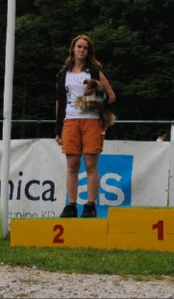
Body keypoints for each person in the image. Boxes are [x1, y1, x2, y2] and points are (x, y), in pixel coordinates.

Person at [55, 34, 116, 218]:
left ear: (89, 51)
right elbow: (60, 102)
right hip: (70, 121)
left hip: (91, 121)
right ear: (73, 49)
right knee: (72, 166)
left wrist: (93, 101)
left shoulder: (93, 72)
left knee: (90, 165)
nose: (82, 50)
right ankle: (71, 205)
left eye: (85, 48)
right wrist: (58, 130)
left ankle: (90, 205)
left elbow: (111, 96)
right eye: (79, 47)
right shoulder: (63, 73)